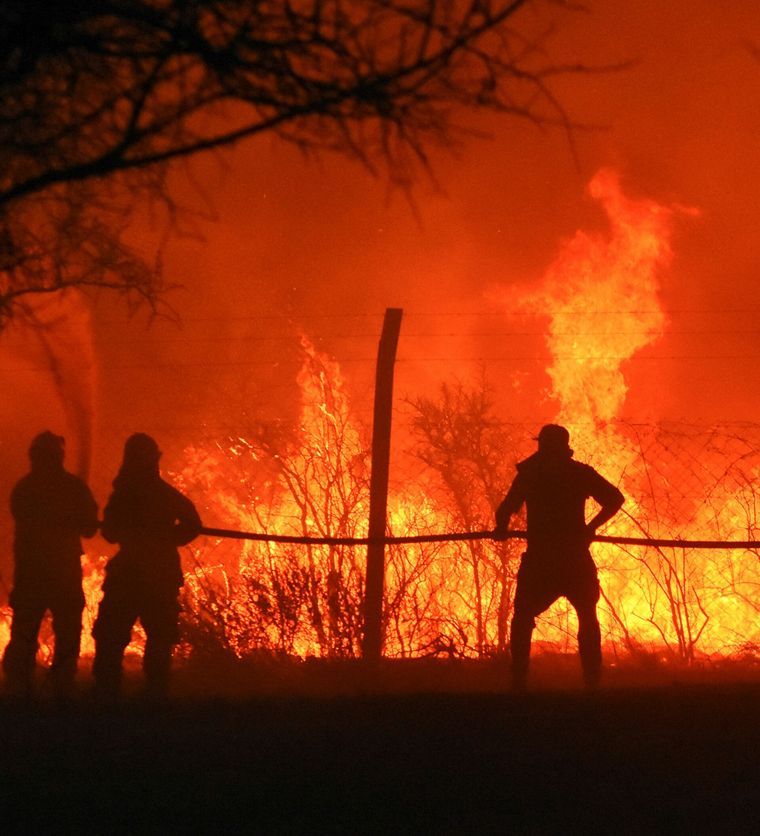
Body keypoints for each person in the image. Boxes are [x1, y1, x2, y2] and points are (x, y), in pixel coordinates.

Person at [493, 424, 624, 691]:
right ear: (565, 448)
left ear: (542, 445)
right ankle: (592, 683)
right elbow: (614, 499)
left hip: (541, 558)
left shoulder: (530, 474)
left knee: (522, 617)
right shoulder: (579, 473)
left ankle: (518, 681)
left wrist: (502, 529)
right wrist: (590, 528)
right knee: (587, 616)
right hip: (574, 557)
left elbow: (506, 508)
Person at [92, 433, 201, 700]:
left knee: (111, 635)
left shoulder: (123, 495)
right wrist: (169, 540)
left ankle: (107, 691)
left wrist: (136, 535)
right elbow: (192, 524)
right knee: (159, 635)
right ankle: (156, 691)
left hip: (129, 573)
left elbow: (110, 533)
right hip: (159, 574)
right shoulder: (165, 494)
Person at [2, 431, 99, 698]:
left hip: (31, 571)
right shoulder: (73, 488)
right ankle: (62, 687)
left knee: (24, 629)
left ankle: (18, 687)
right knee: (67, 630)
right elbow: (90, 529)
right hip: (62, 572)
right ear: (59, 457)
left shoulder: (24, 488)